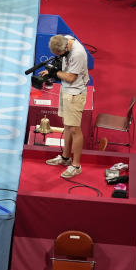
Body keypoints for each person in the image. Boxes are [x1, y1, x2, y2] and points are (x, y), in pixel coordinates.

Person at [44, 34, 90, 178]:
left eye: (59, 54)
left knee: (75, 129)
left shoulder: (78, 54)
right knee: (67, 126)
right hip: (66, 90)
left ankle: (76, 165)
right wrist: (50, 71)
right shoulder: (66, 39)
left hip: (75, 94)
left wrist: (54, 72)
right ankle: (65, 158)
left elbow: (70, 77)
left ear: (65, 48)